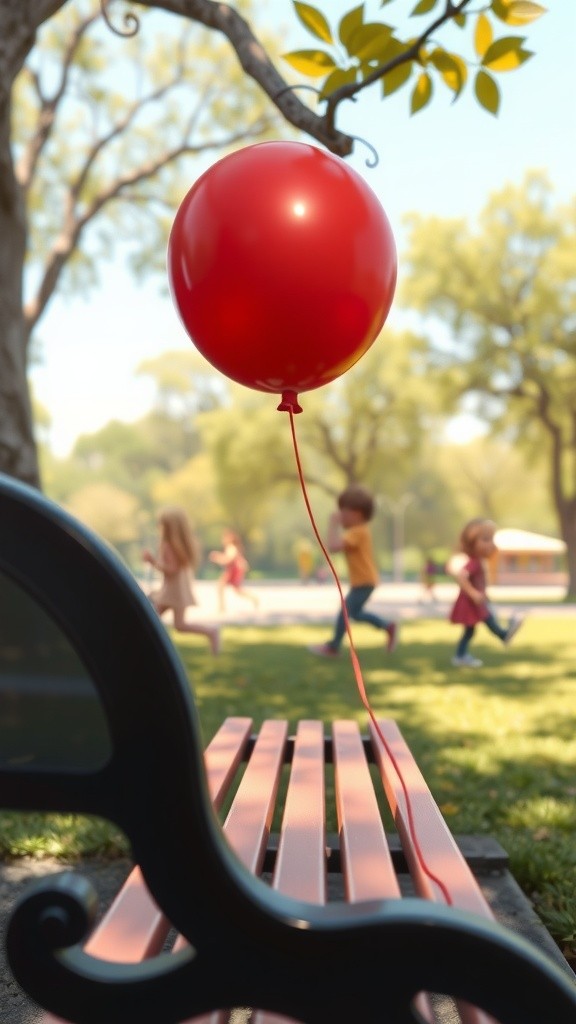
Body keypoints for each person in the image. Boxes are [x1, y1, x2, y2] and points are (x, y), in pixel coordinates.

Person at [309, 484, 398, 657]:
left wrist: (333, 524)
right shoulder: (358, 531)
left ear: (356, 514)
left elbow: (334, 547)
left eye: (343, 512)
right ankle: (387, 626)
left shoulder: (358, 531)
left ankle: (333, 647)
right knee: (354, 613)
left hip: (364, 581)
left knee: (346, 611)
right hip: (365, 580)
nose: (340, 516)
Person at [142, 507, 220, 655]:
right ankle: (211, 632)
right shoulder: (181, 545)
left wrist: (152, 561)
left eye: (162, 524)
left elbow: (171, 569)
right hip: (176, 590)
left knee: (154, 619)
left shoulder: (169, 545)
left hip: (172, 592)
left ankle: (211, 631)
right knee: (169, 622)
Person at [448, 517, 523, 668]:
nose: (491, 543)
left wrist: (482, 593)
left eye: (491, 539)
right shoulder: (474, 562)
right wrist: (474, 594)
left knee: (470, 630)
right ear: (471, 543)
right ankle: (503, 634)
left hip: (476, 601)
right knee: (486, 620)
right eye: (485, 539)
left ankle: (461, 655)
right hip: (471, 602)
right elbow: (462, 577)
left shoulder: (479, 561)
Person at [209, 529, 259, 612]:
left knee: (221, 586)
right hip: (232, 570)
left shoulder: (231, 547)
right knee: (236, 590)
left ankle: (221, 608)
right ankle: (253, 598)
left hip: (232, 570)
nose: (223, 540)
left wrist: (217, 558)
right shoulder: (232, 548)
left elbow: (229, 559)